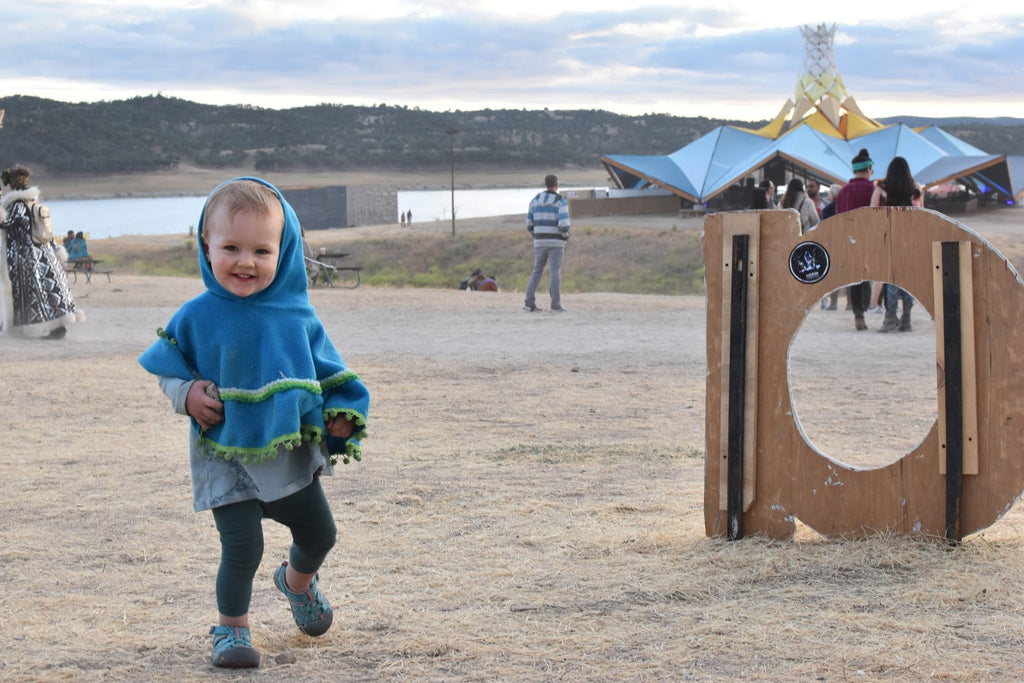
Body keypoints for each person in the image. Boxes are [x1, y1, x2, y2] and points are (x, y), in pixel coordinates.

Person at [138, 177, 371, 669]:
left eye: (261, 250)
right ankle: (232, 630)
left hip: (286, 454)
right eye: (231, 247)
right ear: (206, 245)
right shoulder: (197, 315)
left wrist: (342, 415)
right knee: (242, 546)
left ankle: (296, 583)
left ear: (283, 250)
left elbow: (329, 373)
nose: (246, 261)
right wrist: (187, 394)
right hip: (224, 454)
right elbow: (167, 368)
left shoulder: (296, 315)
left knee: (321, 534)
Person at [0, 166, 83, 339]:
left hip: (24, 257)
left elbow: (4, 224)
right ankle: (59, 327)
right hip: (45, 254)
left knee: (31, 293)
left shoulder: (16, 206)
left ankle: (24, 328)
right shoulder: (35, 204)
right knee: (50, 290)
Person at [871, 156, 923, 333]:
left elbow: (872, 212)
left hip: (888, 236)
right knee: (907, 280)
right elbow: (920, 214)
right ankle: (906, 319)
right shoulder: (915, 189)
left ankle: (890, 318)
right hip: (909, 239)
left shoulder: (882, 188)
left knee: (890, 278)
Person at [835, 149, 876, 331]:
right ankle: (870, 306)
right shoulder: (873, 190)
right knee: (871, 274)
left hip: (849, 238)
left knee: (855, 276)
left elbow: (838, 218)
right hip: (869, 237)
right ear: (869, 168)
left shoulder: (843, 192)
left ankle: (858, 313)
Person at [523, 174, 570, 312]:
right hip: (556, 242)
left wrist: (535, 234)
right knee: (555, 271)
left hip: (539, 241)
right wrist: (565, 236)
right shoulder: (561, 201)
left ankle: (529, 302)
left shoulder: (535, 200)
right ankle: (555, 305)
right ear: (556, 185)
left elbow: (529, 224)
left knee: (537, 270)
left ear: (546, 184)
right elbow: (564, 225)